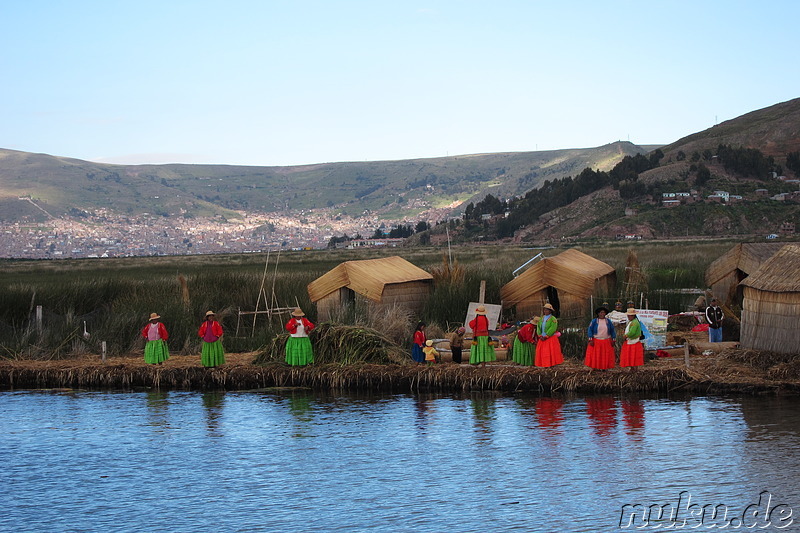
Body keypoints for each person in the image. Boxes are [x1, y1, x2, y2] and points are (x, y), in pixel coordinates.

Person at [535, 303, 563, 367]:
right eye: (545, 310)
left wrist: (547, 335)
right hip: (542, 338)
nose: (545, 311)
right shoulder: (541, 318)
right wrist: (539, 335)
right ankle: (543, 363)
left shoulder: (553, 319)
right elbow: (538, 327)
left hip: (550, 338)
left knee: (550, 351)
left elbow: (553, 328)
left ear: (550, 311)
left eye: (547, 310)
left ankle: (551, 363)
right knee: (543, 352)